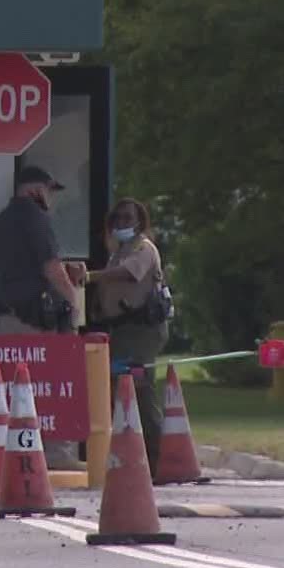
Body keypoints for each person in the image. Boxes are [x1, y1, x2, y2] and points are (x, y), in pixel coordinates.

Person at [79, 197, 171, 476]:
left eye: (127, 218)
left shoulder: (143, 248)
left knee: (140, 392)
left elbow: (129, 275)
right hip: (121, 330)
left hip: (141, 332)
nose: (121, 223)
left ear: (140, 221)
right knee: (119, 392)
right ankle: (132, 458)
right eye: (117, 219)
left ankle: (158, 463)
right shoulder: (119, 251)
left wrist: (90, 276)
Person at [0, 165, 79, 333]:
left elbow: (22, 262)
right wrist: (73, 302)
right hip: (34, 321)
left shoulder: (3, 218)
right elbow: (52, 269)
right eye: (49, 191)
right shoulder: (36, 217)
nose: (51, 197)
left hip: (6, 315)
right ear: (37, 190)